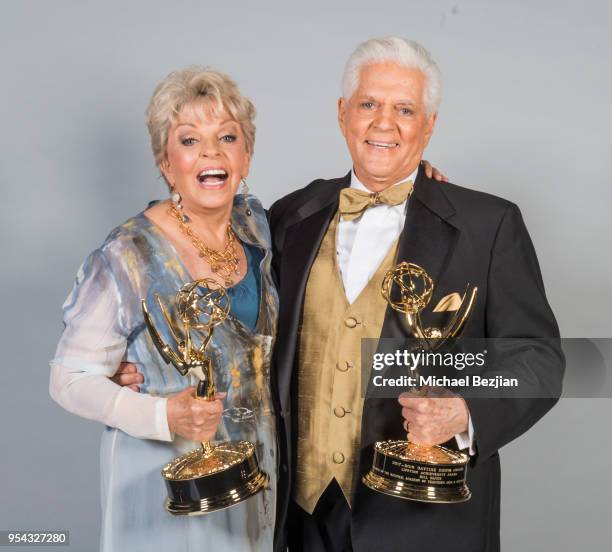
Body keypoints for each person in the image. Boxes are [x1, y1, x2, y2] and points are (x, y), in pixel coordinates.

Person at [267, 37, 564, 552]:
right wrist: (129, 369)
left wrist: (466, 410)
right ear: (343, 115)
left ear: (428, 126)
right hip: (303, 517)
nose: (384, 124)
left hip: (426, 523)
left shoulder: (487, 224)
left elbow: (540, 359)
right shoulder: (290, 215)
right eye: (369, 105)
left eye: (404, 109)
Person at [49, 67, 280, 552]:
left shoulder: (257, 226)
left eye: (228, 137)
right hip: (164, 481)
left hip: (256, 472)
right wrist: (162, 416)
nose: (212, 153)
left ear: (247, 155)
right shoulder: (127, 254)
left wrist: (424, 186)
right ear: (165, 160)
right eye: (190, 139)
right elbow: (67, 380)